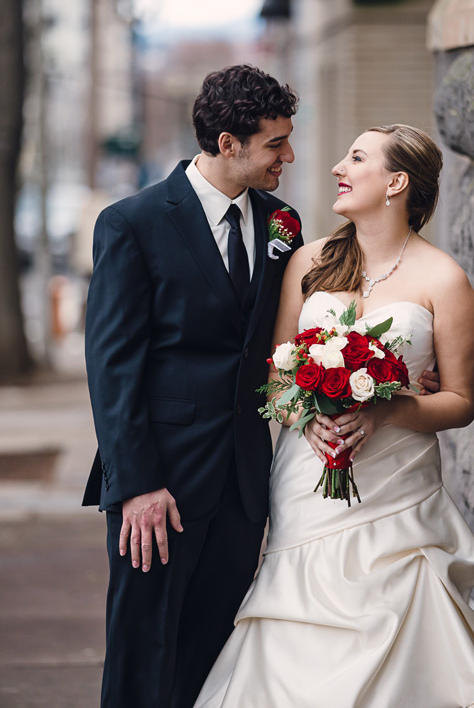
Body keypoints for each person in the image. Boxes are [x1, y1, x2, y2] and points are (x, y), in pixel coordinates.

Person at [195, 125, 474, 707]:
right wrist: (304, 414)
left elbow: (460, 403)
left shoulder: (446, 281)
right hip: (306, 482)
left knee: (400, 613)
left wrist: (390, 409)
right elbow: (277, 374)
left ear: (396, 182)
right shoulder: (309, 262)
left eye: (356, 158)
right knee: (294, 620)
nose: (339, 165)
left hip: (397, 491)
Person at [82, 65, 303, 707]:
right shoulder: (133, 224)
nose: (287, 155)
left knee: (215, 651)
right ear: (228, 143)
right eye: (274, 144)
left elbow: (282, 341)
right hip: (162, 484)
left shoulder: (282, 223)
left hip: (241, 480)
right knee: (145, 650)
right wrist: (138, 485)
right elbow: (113, 367)